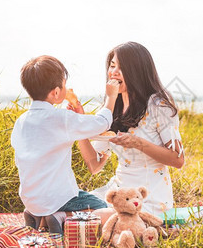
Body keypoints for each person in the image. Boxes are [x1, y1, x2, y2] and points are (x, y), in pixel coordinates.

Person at [71, 42, 184, 216]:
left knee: (92, 217)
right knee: (69, 201)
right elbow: (94, 165)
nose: (114, 73)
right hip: (119, 192)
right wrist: (80, 127)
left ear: (137, 72)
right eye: (112, 66)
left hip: (148, 199)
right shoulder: (112, 107)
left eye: (122, 68)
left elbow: (178, 160)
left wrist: (138, 143)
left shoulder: (158, 105)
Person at [11, 55, 119, 234]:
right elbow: (102, 122)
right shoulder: (61, 119)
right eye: (64, 84)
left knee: (64, 197)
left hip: (30, 198)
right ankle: (62, 217)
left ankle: (38, 216)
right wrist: (110, 96)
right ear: (55, 92)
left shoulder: (21, 121)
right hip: (58, 198)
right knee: (105, 208)